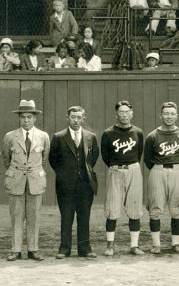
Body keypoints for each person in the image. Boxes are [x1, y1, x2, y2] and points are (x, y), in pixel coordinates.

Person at [49, 106, 99, 259]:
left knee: (84, 217)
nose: (76, 120)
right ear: (68, 118)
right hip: (66, 186)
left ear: (83, 119)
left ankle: (85, 248)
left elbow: (93, 158)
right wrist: (65, 175)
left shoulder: (91, 136)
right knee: (67, 216)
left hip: (85, 185)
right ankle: (64, 249)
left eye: (79, 117)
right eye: (73, 117)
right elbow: (53, 159)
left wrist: (83, 174)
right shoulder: (59, 137)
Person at [3, 100, 49, 261]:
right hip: (16, 180)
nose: (26, 120)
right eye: (23, 117)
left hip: (35, 181)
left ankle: (33, 249)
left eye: (29, 117)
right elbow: (6, 160)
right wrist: (17, 172)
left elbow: (43, 159)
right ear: (19, 118)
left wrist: (32, 171)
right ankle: (15, 250)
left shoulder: (43, 136)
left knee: (34, 216)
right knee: (16, 217)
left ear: (35, 118)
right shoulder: (10, 136)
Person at [144, 102, 179, 254]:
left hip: (177, 169)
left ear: (176, 116)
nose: (169, 117)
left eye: (172, 114)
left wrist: (175, 168)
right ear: (161, 115)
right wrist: (159, 168)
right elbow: (148, 159)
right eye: (166, 113)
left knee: (177, 208)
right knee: (155, 208)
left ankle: (176, 243)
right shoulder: (152, 136)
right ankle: (156, 244)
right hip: (158, 170)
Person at [99, 101, 146, 256]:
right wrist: (116, 167)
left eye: (127, 112)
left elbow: (139, 154)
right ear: (116, 114)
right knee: (112, 209)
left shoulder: (138, 132)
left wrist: (130, 166)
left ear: (131, 114)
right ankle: (110, 245)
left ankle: (134, 246)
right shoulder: (108, 133)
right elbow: (105, 156)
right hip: (115, 171)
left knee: (135, 209)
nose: (124, 115)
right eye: (121, 112)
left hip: (133, 169)